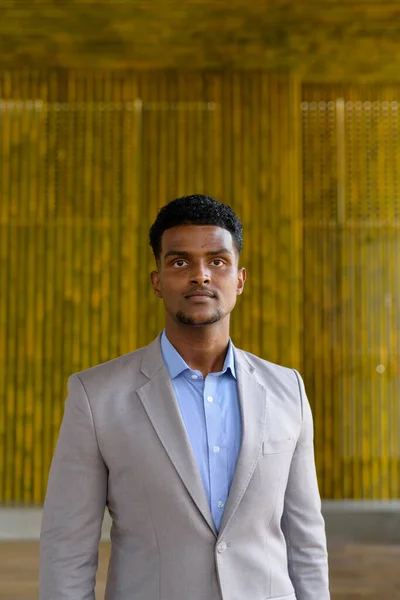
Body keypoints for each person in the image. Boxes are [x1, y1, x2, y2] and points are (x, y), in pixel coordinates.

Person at [39, 194, 330, 600]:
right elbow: (67, 548)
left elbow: (306, 540)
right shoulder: (96, 396)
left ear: (240, 279)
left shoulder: (288, 391)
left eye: (217, 261)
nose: (201, 276)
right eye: (180, 262)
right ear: (157, 281)